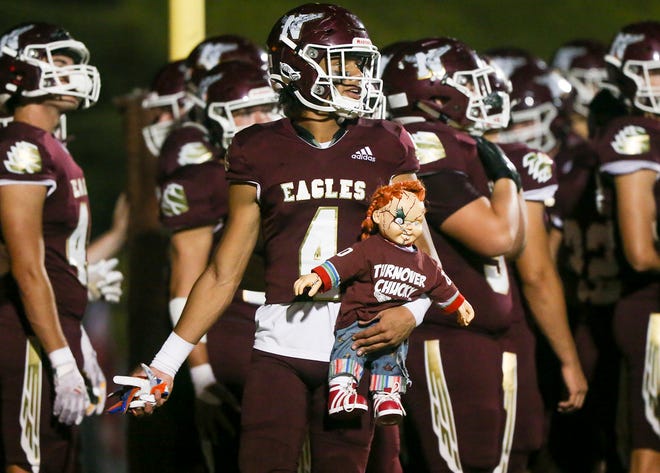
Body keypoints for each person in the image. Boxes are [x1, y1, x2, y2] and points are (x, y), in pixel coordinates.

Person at [116, 4, 435, 472]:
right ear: (296, 66)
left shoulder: (390, 143)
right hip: (278, 346)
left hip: (357, 344)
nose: (355, 75)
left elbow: (423, 257)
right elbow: (224, 271)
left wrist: (414, 309)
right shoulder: (255, 148)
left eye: (359, 63)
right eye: (341, 61)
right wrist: (165, 364)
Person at [382, 36, 526, 472]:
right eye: (469, 84)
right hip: (448, 338)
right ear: (434, 96)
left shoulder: (449, 141)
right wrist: (506, 176)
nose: (482, 95)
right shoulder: (425, 141)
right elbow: (498, 237)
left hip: (471, 337)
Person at [157, 59, 280, 472]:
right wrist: (201, 374)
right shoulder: (204, 176)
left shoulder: (303, 162)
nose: (261, 120)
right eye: (245, 112)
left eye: (267, 107)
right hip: (238, 323)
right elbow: (186, 281)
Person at [0, 22, 102, 472]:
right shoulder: (22, 146)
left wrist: (79, 342)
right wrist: (62, 360)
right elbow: (25, 266)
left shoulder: (50, 144)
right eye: (58, 61)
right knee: (27, 460)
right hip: (28, 333)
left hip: (54, 326)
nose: (72, 72)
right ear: (21, 71)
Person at [294, 180, 474, 426]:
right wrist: (319, 276)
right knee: (350, 348)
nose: (409, 228)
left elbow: (441, 285)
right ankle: (341, 391)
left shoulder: (424, 263)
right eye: (401, 220)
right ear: (379, 216)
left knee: (393, 354)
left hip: (392, 326)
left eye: (417, 221)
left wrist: (459, 305)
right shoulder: (370, 249)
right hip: (358, 319)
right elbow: (343, 263)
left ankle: (386, 395)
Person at [482, 56, 588, 472]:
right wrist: (569, 357)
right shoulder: (527, 164)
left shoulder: (438, 157)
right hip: (508, 328)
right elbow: (540, 273)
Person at [592, 20, 660, 473]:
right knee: (650, 441)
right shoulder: (633, 133)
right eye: (654, 73)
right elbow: (640, 251)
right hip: (651, 305)